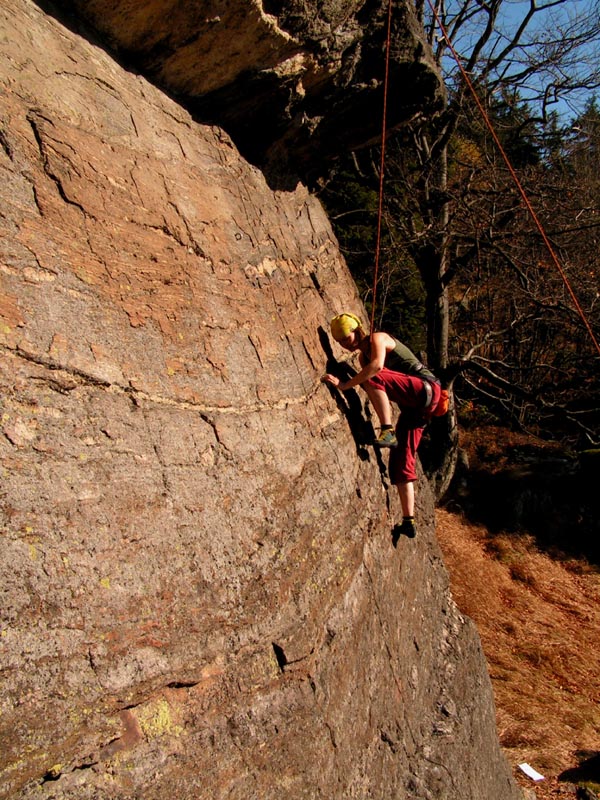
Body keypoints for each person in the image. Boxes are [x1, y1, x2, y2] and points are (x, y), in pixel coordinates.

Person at [322, 312, 443, 541]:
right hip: (417, 408)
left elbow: (377, 367)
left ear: (357, 330)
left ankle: (387, 429)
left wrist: (346, 384)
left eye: (347, 338)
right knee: (401, 461)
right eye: (340, 342)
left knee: (372, 374)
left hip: (426, 388)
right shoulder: (361, 360)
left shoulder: (378, 338)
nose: (345, 344)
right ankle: (409, 521)